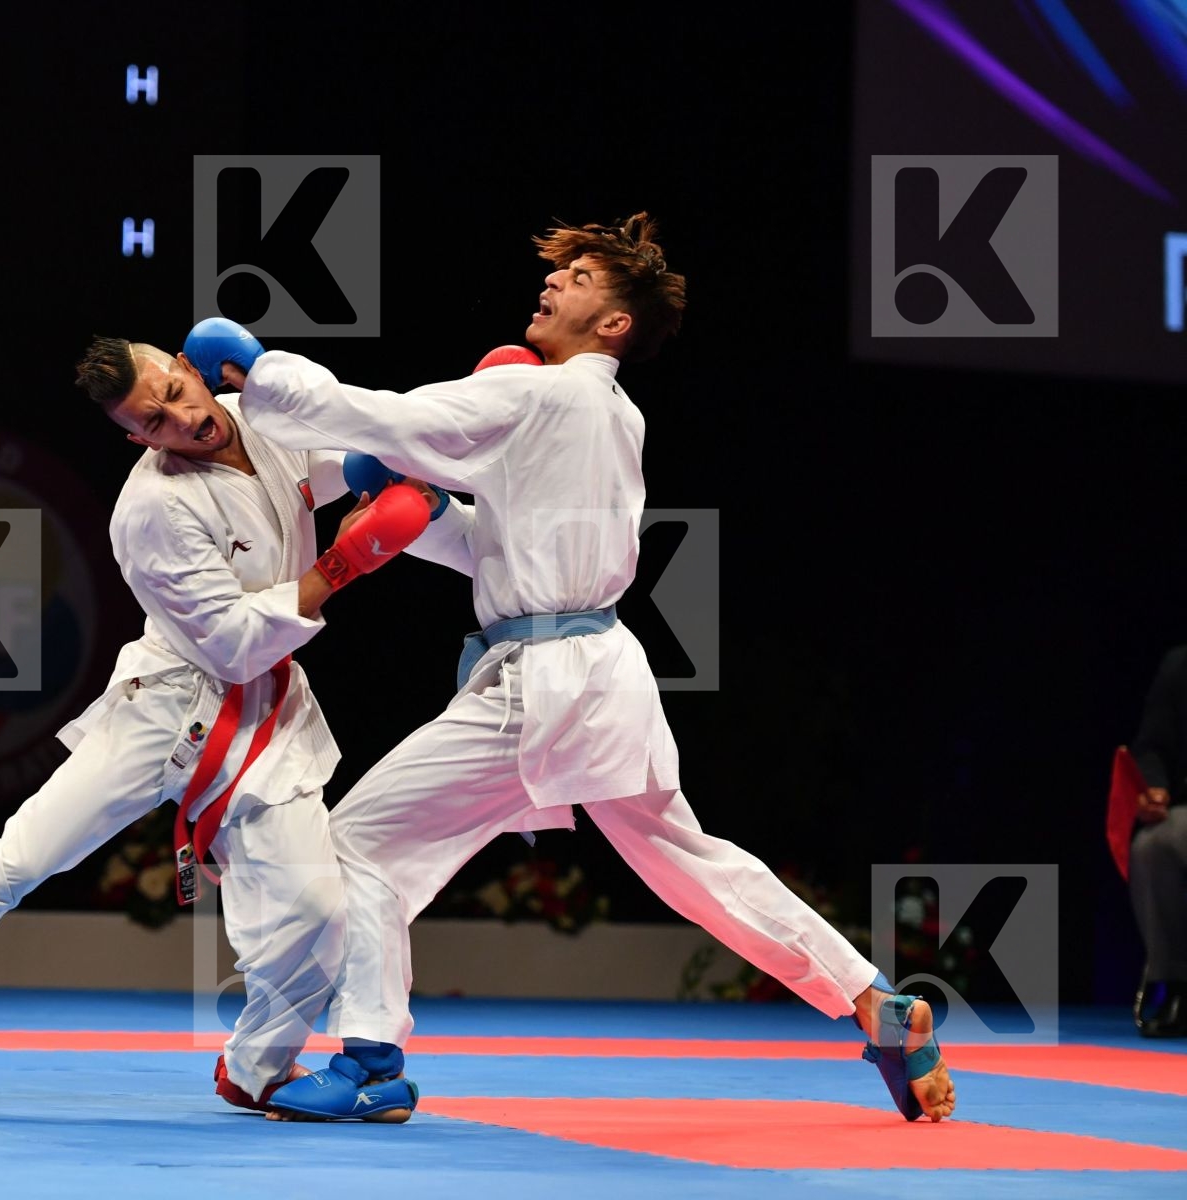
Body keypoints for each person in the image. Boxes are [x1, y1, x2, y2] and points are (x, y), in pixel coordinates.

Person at [217, 213, 957, 1123]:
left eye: (579, 275)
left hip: (546, 681)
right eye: (559, 267)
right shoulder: (614, 414)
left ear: (615, 324)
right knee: (692, 865)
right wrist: (414, 511)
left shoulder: (550, 397)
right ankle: (872, 996)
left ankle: (372, 1064)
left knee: (359, 847)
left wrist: (262, 374)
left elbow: (386, 415)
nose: (555, 280)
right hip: (599, 670)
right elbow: (506, 548)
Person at [0, 337, 432, 1113]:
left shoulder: (267, 417)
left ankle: (255, 1071)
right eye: (156, 420)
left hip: (270, 714)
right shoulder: (151, 512)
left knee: (317, 909)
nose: (183, 417)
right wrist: (341, 566)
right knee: (20, 859)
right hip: (168, 704)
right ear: (136, 438)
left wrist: (431, 441)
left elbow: (354, 451)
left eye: (178, 390)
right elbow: (237, 644)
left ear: (188, 364)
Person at [1129, 645, 1187, 1037]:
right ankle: (1178, 988)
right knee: (1156, 844)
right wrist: (1155, 787)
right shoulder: (1180, 666)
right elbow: (1150, 745)